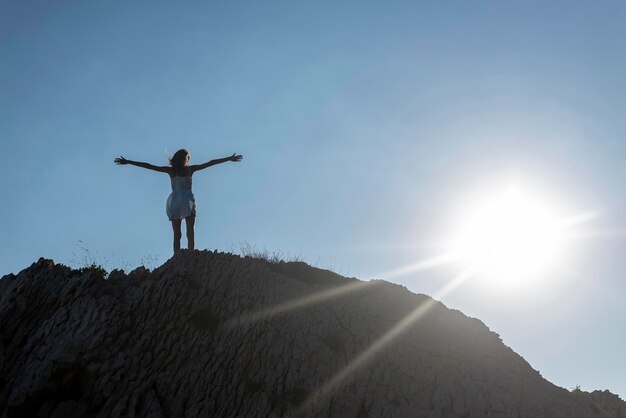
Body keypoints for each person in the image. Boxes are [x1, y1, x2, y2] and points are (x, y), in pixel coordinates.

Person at [114, 149, 243, 253]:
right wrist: (228, 159)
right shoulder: (189, 169)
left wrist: (129, 161)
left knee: (177, 234)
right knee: (190, 232)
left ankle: (177, 257)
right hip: (187, 201)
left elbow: (149, 166)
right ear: (185, 159)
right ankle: (190, 255)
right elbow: (210, 163)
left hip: (175, 202)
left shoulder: (171, 171)